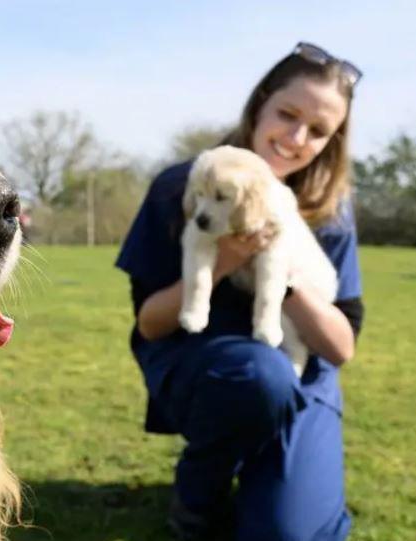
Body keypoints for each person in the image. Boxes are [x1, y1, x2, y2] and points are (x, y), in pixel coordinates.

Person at [116, 42, 365, 541]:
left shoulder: (330, 211)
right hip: (208, 363)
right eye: (287, 114)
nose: (296, 139)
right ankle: (198, 494)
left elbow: (340, 347)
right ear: (260, 103)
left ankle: (266, 477)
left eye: (318, 132)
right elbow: (150, 322)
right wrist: (226, 259)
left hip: (303, 370)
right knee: (257, 375)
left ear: (332, 141)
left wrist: (284, 272)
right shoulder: (183, 186)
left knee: (286, 532)